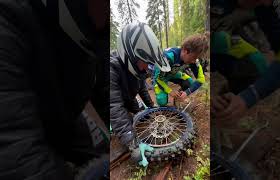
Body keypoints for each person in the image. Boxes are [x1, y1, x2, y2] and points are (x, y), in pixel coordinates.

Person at [0, 0, 108, 179]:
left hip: (64, 114)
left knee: (102, 152)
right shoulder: (9, 17)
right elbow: (13, 151)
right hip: (17, 121)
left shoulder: (95, 30)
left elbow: (105, 92)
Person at [212, 0, 280, 125]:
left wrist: (248, 97)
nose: (266, 2)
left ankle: (220, 113)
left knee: (256, 63)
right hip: (193, 43)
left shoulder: (273, 4)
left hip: (217, 39)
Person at [110, 22, 171, 167]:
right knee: (122, 127)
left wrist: (152, 108)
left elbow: (142, 89)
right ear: (130, 54)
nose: (147, 67)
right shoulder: (111, 67)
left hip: (128, 97)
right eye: (145, 62)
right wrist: (132, 142)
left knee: (142, 114)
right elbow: (114, 106)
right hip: (109, 105)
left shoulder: (137, 70)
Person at [153, 33, 209, 106]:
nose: (193, 61)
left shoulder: (194, 58)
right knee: (162, 102)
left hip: (173, 73)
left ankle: (178, 99)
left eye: (196, 58)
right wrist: (170, 91)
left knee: (189, 82)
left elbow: (201, 79)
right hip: (160, 77)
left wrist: (186, 92)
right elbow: (158, 79)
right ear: (186, 51)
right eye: (193, 58)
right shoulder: (168, 57)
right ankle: (162, 101)